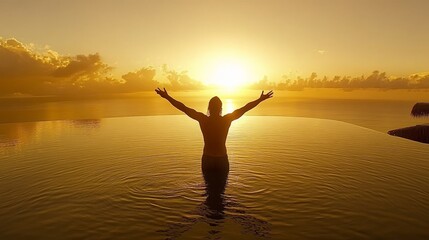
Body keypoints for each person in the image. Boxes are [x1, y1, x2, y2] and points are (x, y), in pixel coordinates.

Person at [155, 88, 273, 177]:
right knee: (221, 191)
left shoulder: (202, 119)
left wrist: (167, 97)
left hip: (208, 159)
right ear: (221, 108)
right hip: (221, 159)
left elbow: (183, 107)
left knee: (208, 192)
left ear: (209, 108)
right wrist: (260, 99)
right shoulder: (226, 119)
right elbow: (245, 108)